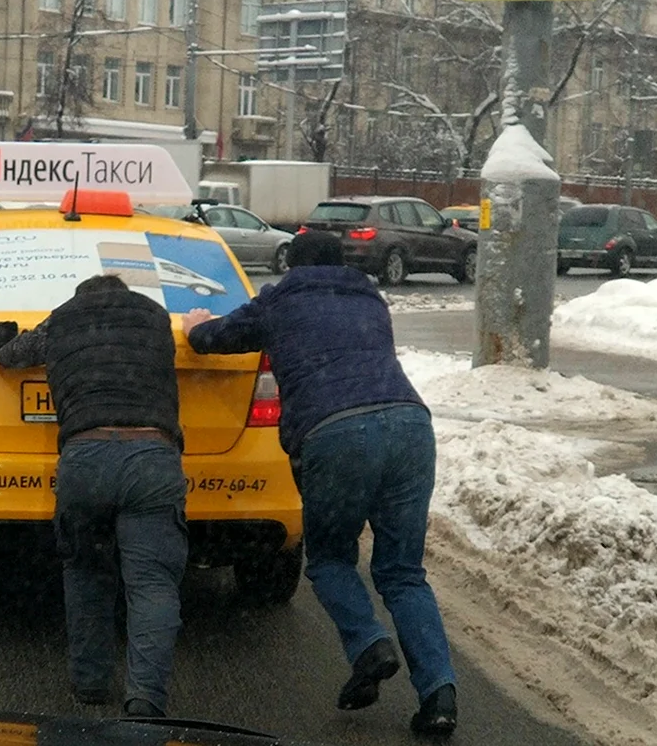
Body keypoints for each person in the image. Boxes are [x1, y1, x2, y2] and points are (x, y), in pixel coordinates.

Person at [180, 230, 458, 737]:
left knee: (331, 558)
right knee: (401, 571)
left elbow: (217, 340)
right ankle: (438, 695)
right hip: (412, 426)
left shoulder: (279, 301)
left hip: (336, 432)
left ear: (294, 267)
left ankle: (369, 645)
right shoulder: (371, 299)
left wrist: (196, 325)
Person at [0, 274, 186, 719]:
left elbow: (13, 356)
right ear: (125, 294)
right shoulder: (155, 318)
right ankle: (146, 698)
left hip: (84, 458)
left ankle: (91, 683)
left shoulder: (62, 320)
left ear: (82, 299)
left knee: (85, 573)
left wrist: (2, 337)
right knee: (153, 582)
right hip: (152, 457)